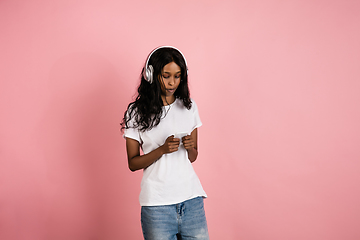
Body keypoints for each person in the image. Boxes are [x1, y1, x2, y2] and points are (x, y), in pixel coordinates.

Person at [121, 46, 209, 240]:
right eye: (166, 76)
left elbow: (193, 157)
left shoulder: (189, 107)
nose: (172, 82)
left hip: (191, 200)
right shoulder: (136, 113)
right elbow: (133, 163)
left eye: (177, 76)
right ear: (151, 74)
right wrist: (161, 150)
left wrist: (189, 147)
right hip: (157, 205)